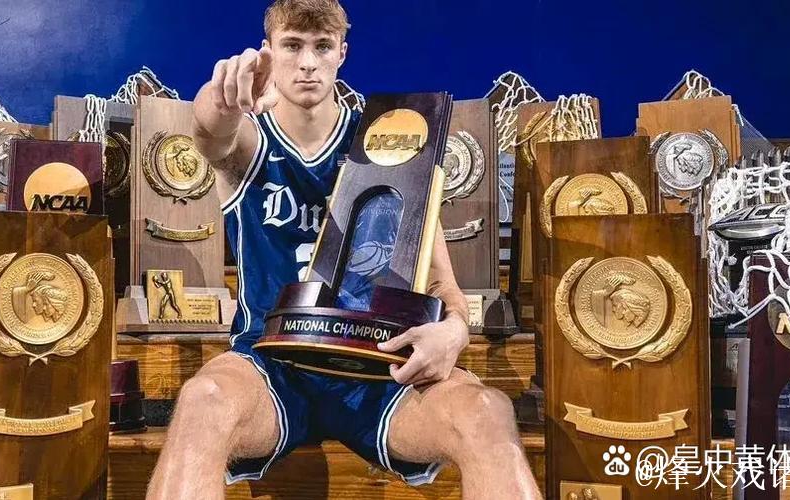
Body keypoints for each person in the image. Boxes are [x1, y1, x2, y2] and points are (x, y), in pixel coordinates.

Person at [147, 1, 541, 498]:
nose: (307, 63)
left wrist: (454, 332)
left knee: (488, 412)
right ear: (269, 52)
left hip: (379, 369)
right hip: (273, 367)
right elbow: (210, 131)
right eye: (292, 46)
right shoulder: (251, 141)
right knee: (202, 401)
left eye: (322, 47)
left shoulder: (390, 141)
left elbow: (443, 284)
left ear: (342, 54)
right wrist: (223, 98)